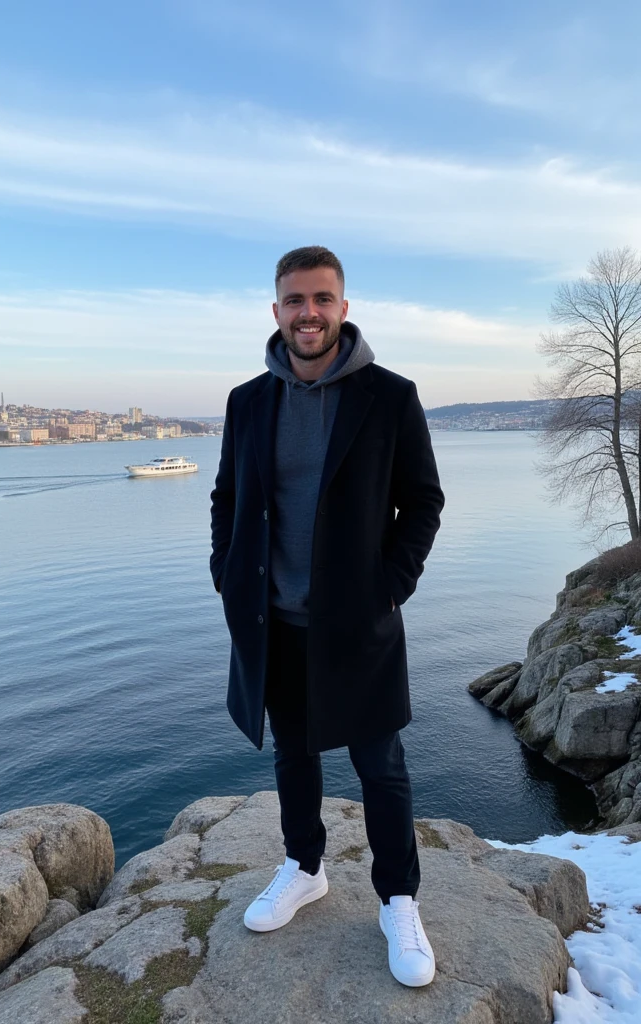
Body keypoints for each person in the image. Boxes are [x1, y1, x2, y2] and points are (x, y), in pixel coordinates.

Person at [210, 245, 444, 987]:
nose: (307, 313)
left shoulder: (389, 395)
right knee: (293, 754)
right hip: (273, 619)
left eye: (321, 299)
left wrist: (389, 588)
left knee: (382, 766)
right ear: (276, 310)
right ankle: (304, 867)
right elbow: (226, 498)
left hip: (358, 622)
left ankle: (399, 898)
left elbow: (423, 502)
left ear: (344, 308)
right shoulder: (248, 401)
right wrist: (227, 575)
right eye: (293, 300)